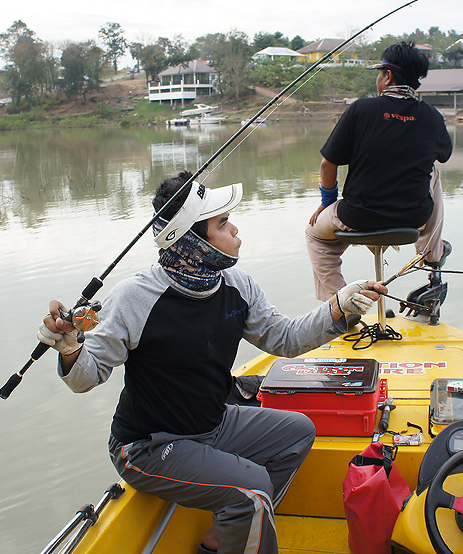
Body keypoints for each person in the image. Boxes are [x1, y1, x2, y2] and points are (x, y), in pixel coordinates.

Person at [37, 171, 386, 554]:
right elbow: (86, 377)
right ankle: (247, 514)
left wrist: (339, 307)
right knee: (251, 489)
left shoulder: (237, 284)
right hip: (148, 446)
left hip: (212, 423)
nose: (235, 229)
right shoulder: (135, 297)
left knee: (298, 432)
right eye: (222, 223)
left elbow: (284, 338)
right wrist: (70, 347)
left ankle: (227, 534)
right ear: (191, 239)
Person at [306, 41, 453, 301]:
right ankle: (432, 253)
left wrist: (327, 204)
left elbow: (328, 164)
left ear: (387, 76)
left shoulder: (361, 109)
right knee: (432, 171)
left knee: (316, 236)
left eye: (379, 72)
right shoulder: (432, 116)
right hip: (413, 218)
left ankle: (342, 307)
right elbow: (443, 156)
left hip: (357, 217)